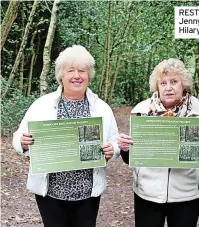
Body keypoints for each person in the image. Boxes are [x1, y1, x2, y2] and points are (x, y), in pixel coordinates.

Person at [12, 45, 120, 227]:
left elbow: (115, 142)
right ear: (61, 76)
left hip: (87, 192)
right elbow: (18, 136)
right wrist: (22, 143)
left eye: (82, 71)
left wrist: (113, 149)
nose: (77, 76)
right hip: (50, 192)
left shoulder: (102, 108)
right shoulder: (42, 105)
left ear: (89, 76)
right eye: (71, 70)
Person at [118, 58, 199, 227]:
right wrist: (125, 148)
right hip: (147, 193)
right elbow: (130, 158)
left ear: (183, 85)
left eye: (174, 82)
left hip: (186, 194)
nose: (169, 87)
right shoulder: (142, 111)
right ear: (157, 87)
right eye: (163, 83)